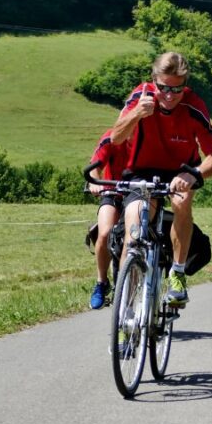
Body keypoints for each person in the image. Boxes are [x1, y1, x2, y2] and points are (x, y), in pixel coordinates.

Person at [110, 51, 212, 307]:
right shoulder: (140, 97)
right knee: (134, 228)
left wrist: (194, 173)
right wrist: (136, 114)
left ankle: (177, 273)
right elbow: (116, 138)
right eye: (163, 88)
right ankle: (126, 310)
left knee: (182, 204)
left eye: (177, 89)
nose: (170, 96)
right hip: (141, 171)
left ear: (186, 85)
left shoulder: (194, 106)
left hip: (182, 171)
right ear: (153, 81)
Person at [86, 129, 129, 310]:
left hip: (143, 194)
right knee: (104, 233)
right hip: (112, 192)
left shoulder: (154, 134)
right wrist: (94, 181)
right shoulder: (113, 135)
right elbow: (96, 165)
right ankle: (102, 282)